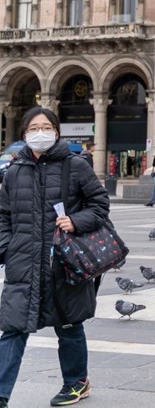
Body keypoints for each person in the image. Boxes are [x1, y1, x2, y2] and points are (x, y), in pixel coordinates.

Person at [0, 106, 110, 406]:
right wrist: (7, 248)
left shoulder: (75, 165)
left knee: (69, 324)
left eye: (46, 127)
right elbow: (3, 215)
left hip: (65, 260)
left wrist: (76, 221)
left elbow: (100, 205)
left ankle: (76, 383)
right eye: (34, 128)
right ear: (24, 134)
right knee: (13, 328)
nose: (40, 133)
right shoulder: (14, 171)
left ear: (56, 131)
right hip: (23, 261)